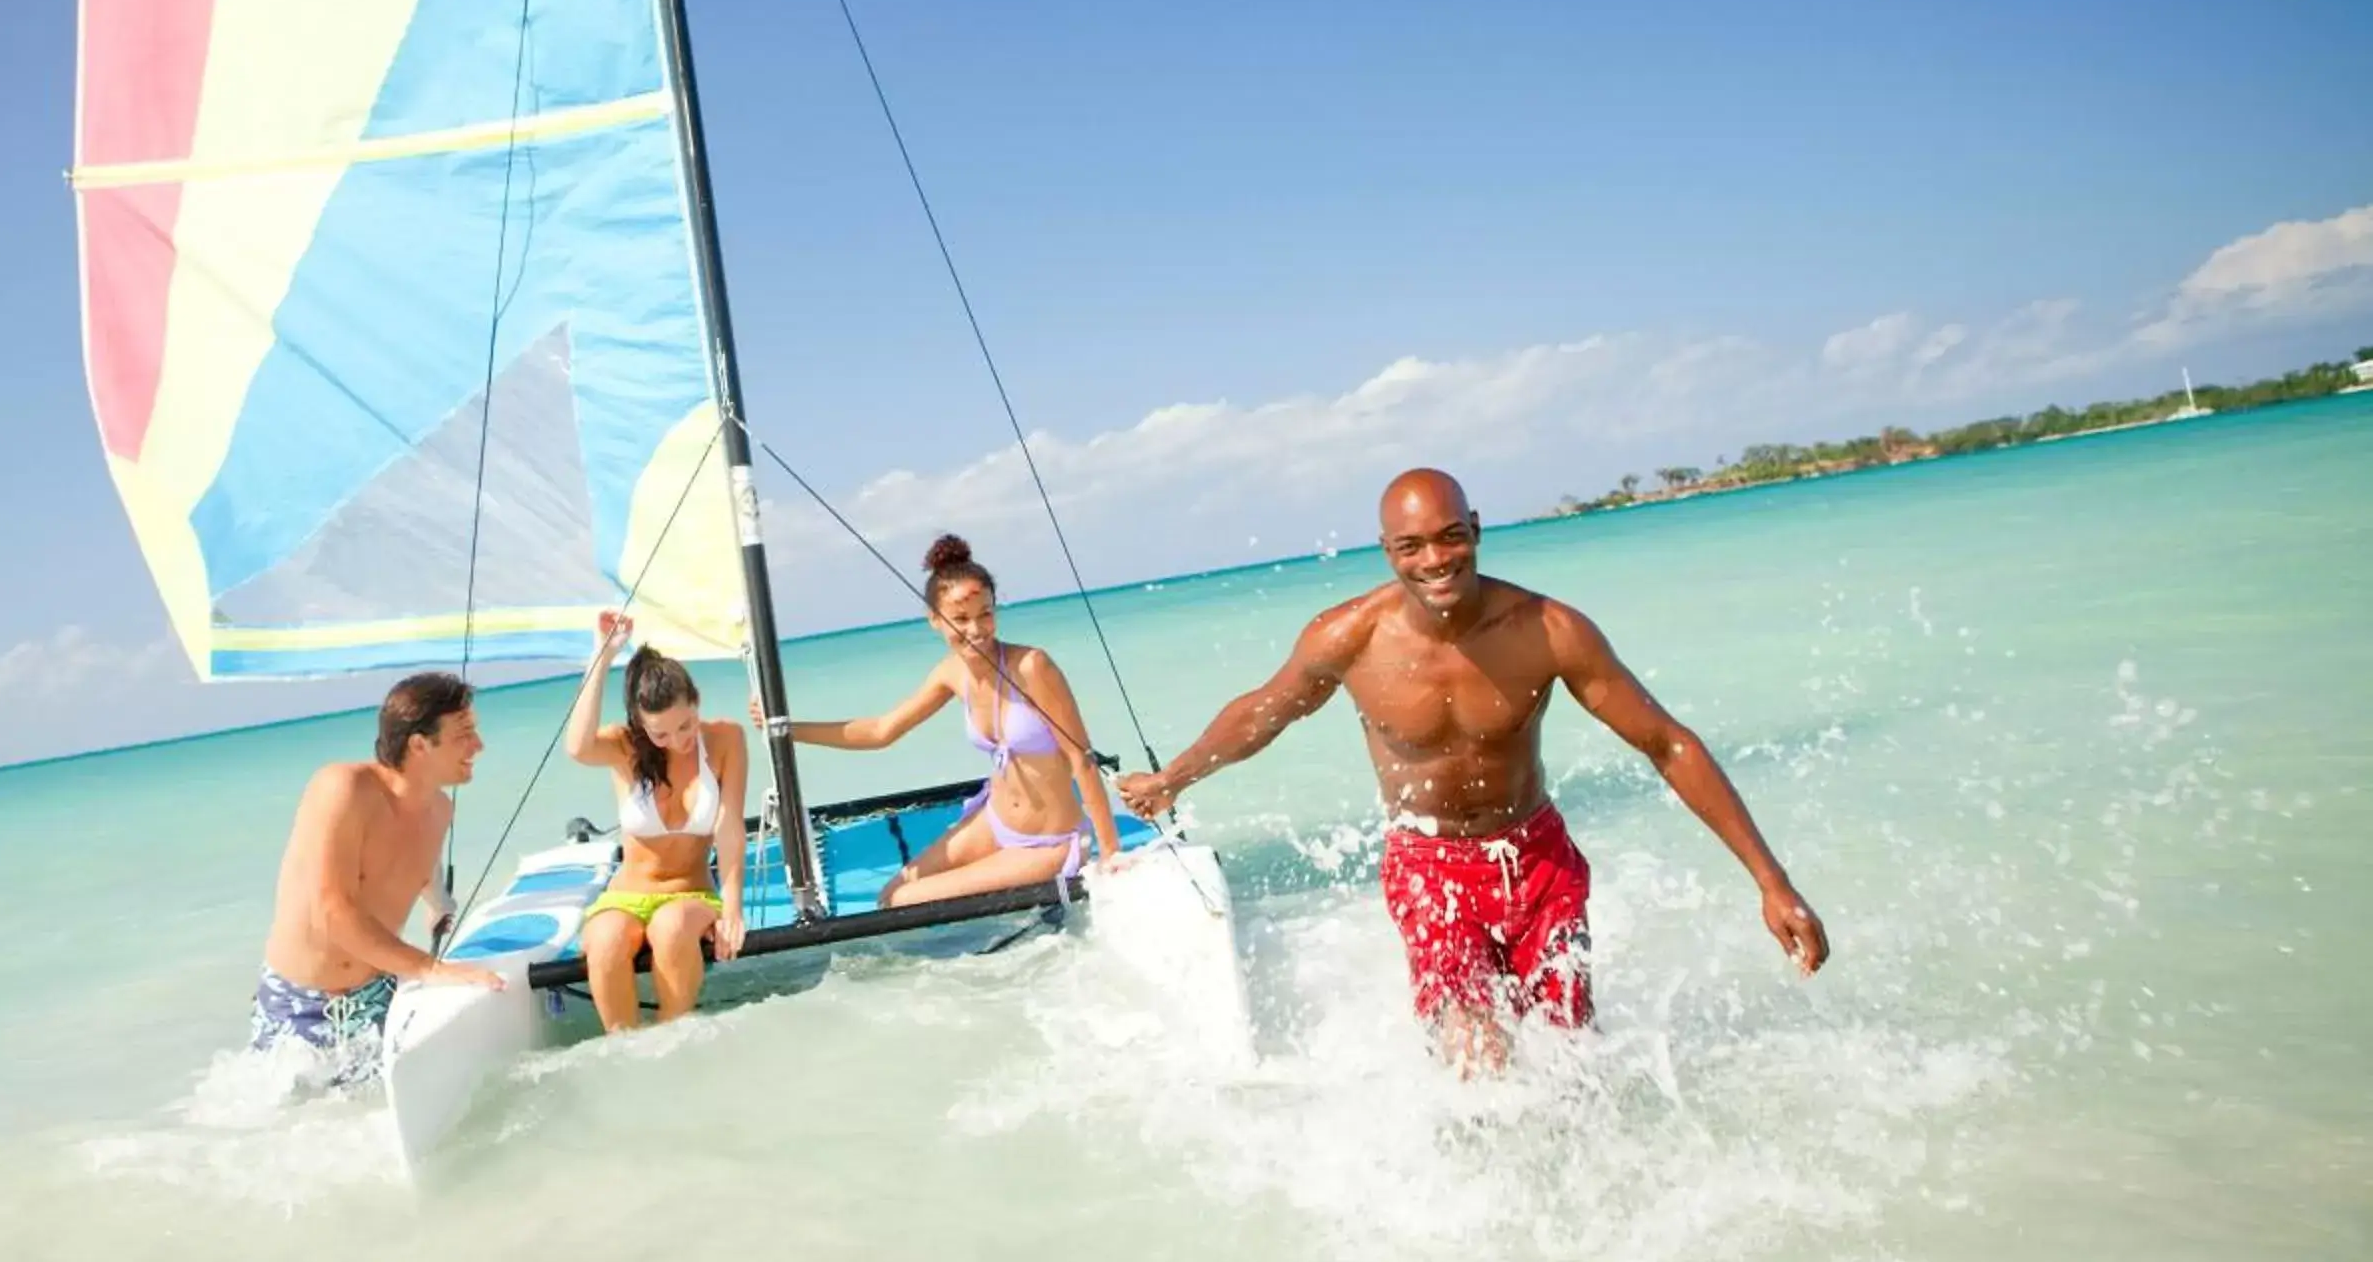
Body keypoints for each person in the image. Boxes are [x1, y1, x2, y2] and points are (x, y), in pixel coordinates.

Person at [1119, 469, 1827, 1071]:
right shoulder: (1349, 637)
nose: (1436, 559)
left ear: (1477, 529)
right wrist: (1173, 778)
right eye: (1412, 545)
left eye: (1451, 535)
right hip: (1430, 869)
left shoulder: (1549, 631)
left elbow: (1668, 744)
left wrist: (1773, 883)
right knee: (1478, 1058)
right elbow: (1261, 714)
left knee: (1569, 1059)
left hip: (1538, 863)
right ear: (1387, 551)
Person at [765, 534, 1125, 907]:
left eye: (986, 613)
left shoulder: (1033, 666)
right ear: (935, 620)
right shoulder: (951, 673)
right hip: (994, 819)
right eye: (961, 619)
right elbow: (881, 731)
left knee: (905, 900)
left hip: (1047, 841)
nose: (976, 629)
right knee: (888, 896)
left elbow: (1080, 757)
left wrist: (1110, 851)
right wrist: (787, 729)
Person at [251, 671, 507, 1080]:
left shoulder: (441, 811)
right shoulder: (344, 787)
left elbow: (409, 858)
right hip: (296, 1004)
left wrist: (438, 898)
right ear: (420, 744)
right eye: (465, 734)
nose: (479, 746)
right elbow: (332, 912)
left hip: (375, 997)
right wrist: (430, 969)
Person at [566, 612, 750, 1033]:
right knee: (608, 940)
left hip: (690, 895)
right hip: (624, 896)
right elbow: (577, 747)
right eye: (661, 734)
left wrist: (734, 905)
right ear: (640, 724)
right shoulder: (625, 747)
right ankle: (623, 1053)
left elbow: (729, 824)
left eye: (685, 726)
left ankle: (674, 1038)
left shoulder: (725, 740)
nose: (678, 741)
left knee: (669, 928)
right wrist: (603, 654)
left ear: (696, 701)